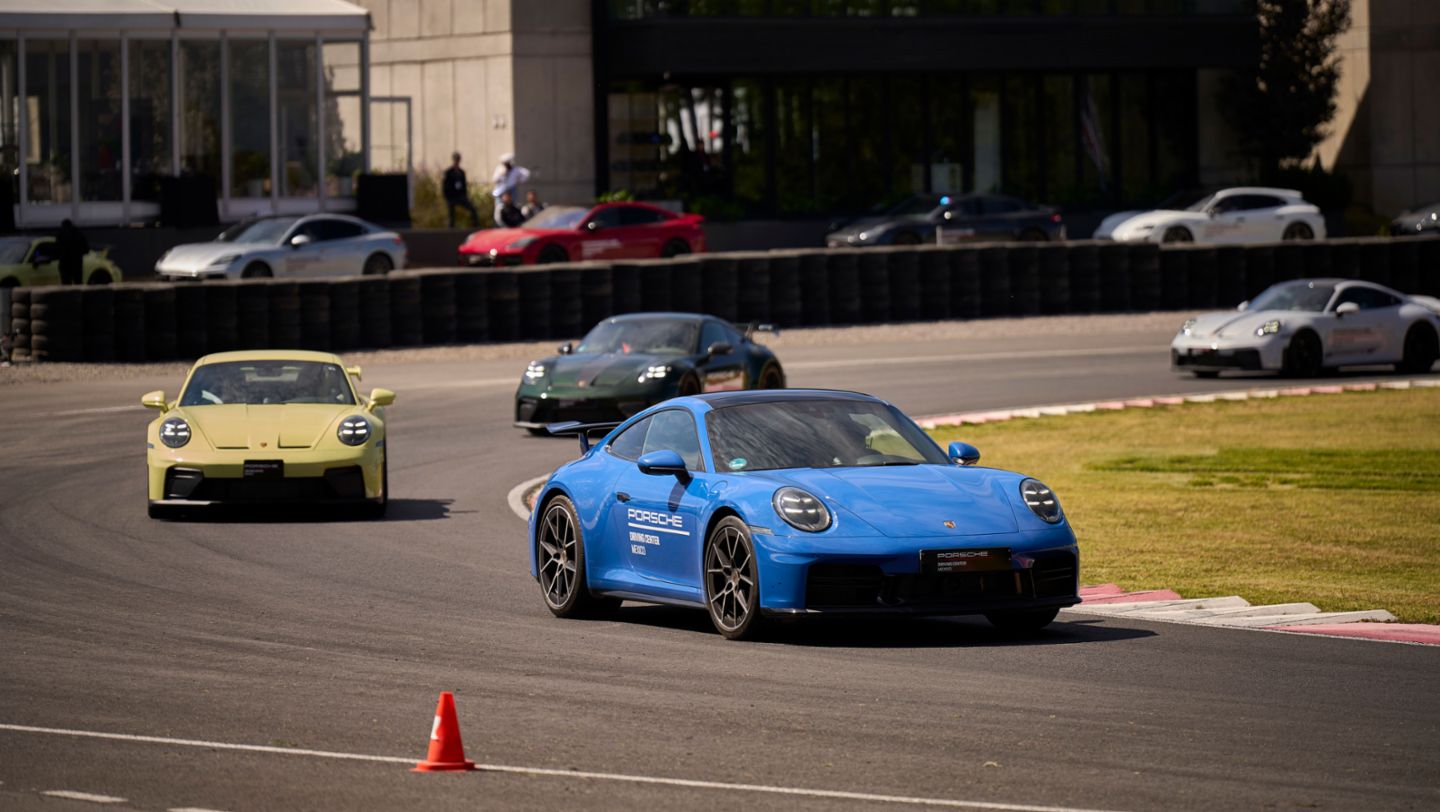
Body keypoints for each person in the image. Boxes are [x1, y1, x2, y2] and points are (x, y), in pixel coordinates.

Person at [442, 152, 480, 228]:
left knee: (473, 209)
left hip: (460, 196)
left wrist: (465, 195)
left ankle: (475, 225)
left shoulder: (461, 172)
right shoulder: (448, 172)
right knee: (451, 214)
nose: (457, 161)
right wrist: (447, 196)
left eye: (458, 159)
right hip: (451, 196)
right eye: (456, 159)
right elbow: (445, 185)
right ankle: (451, 228)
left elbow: (464, 185)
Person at [491, 152, 531, 222]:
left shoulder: (515, 170)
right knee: (500, 207)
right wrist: (502, 174)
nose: (506, 165)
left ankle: (512, 221)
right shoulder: (500, 169)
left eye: (507, 163)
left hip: (511, 190)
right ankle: (499, 222)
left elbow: (527, 174)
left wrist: (519, 180)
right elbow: (494, 179)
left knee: (513, 207)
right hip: (502, 192)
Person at [56, 219, 89, 285]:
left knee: (66, 286)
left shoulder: (61, 234)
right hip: (77, 264)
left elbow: (56, 250)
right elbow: (86, 249)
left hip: (65, 264)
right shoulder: (79, 233)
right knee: (78, 284)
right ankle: (78, 295)